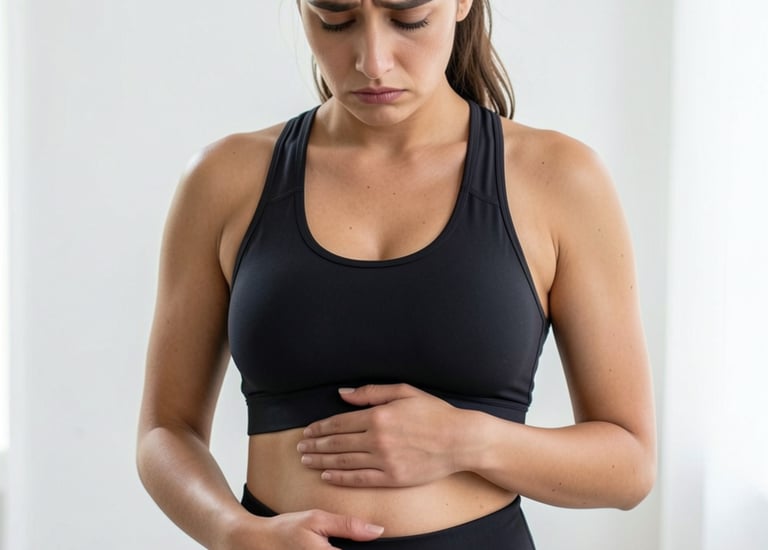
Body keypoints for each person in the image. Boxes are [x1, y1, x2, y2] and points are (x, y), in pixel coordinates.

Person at [136, 0, 657, 548]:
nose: (372, 61)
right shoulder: (225, 179)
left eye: (409, 18)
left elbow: (629, 466)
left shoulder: (559, 179)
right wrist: (232, 531)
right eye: (335, 20)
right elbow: (164, 431)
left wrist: (468, 440)